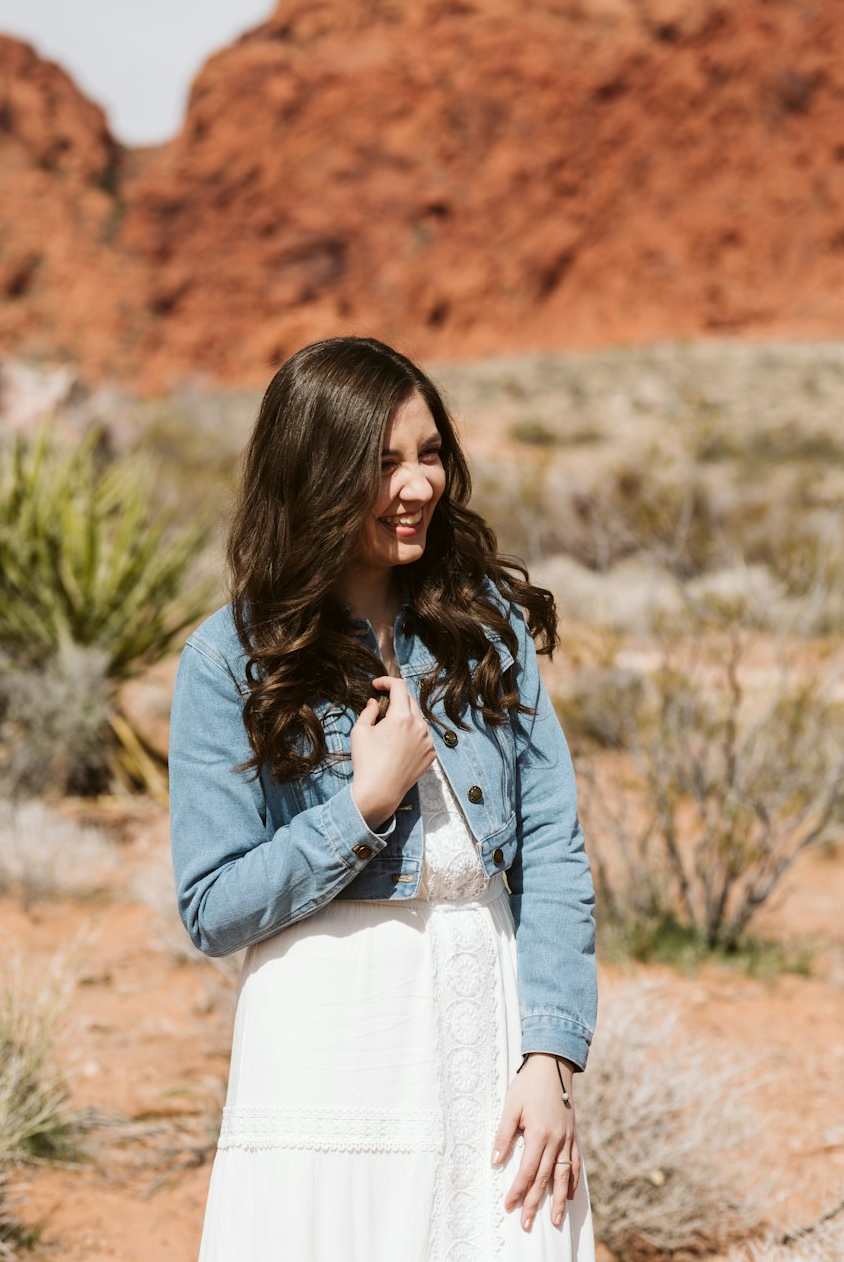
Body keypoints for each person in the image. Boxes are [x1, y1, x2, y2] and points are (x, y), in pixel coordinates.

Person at [168, 335, 597, 1261]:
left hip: (488, 1017)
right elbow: (210, 908)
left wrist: (550, 1060)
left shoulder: (482, 627)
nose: (420, 485)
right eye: (386, 462)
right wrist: (359, 808)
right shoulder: (227, 660)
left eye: (432, 453)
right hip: (330, 1042)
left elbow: (554, 848)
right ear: (316, 473)